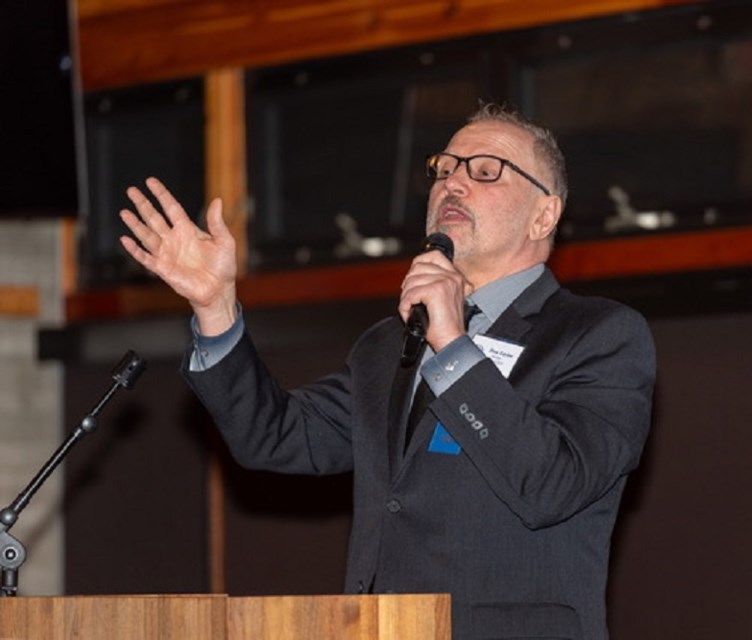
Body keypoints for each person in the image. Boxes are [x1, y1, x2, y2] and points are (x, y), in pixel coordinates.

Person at [119, 103, 656, 640]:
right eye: (443, 169)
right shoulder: (387, 345)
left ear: (545, 215)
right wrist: (216, 307)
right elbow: (275, 436)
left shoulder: (598, 336)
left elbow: (552, 486)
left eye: (486, 170)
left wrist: (452, 346)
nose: (454, 183)